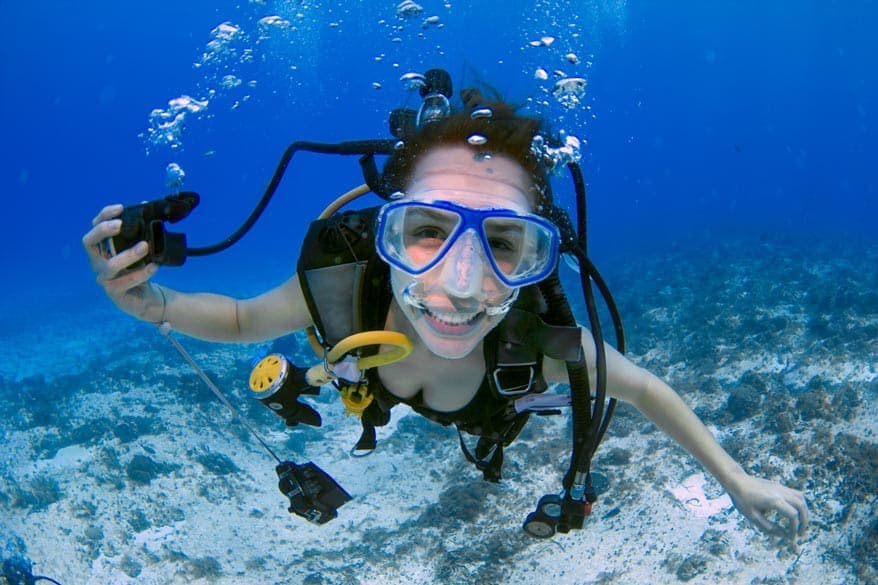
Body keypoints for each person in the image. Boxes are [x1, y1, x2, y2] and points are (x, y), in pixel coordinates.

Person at [82, 85, 807, 539]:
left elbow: (644, 389)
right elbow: (241, 319)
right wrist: (156, 303)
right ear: (382, 233)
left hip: (491, 415)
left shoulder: (535, 338)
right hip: (372, 380)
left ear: (536, 255)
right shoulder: (346, 286)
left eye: (504, 244)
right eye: (426, 229)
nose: (460, 287)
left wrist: (738, 480)